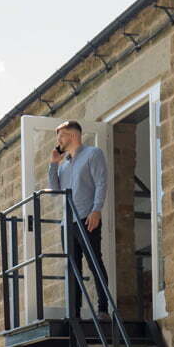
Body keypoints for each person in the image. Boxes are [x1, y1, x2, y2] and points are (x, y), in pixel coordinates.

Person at [48, 120, 110, 320]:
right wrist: (53, 164)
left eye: (61, 136)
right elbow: (55, 191)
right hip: (67, 223)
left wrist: (96, 210)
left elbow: (101, 183)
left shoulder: (93, 154)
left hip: (87, 218)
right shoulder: (64, 165)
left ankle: (103, 310)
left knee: (94, 262)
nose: (58, 141)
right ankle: (74, 313)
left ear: (73, 135)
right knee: (72, 268)